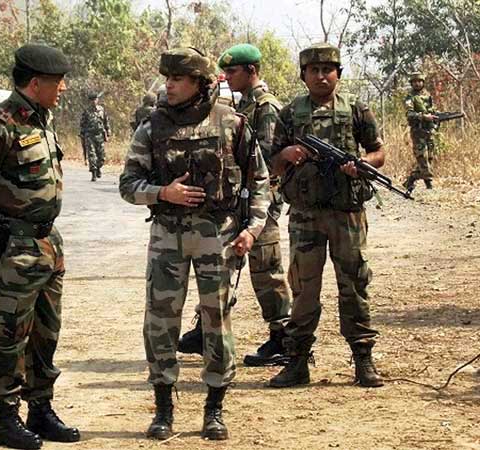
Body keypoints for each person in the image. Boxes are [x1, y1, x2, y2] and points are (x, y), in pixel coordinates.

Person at [119, 47, 270, 441]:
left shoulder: (231, 123)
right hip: (167, 234)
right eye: (167, 78)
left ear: (199, 84)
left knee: (216, 321)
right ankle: (163, 408)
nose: (168, 85)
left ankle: (214, 409)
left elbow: (259, 182)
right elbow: (128, 185)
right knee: (160, 320)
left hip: (216, 236)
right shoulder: (152, 126)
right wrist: (162, 193)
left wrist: (252, 229)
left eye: (177, 79)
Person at [0, 43, 80, 450]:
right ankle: (7, 418)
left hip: (48, 243)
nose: (63, 88)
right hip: (15, 248)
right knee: (10, 334)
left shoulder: (42, 120)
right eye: (58, 81)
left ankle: (40, 410)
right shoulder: (0, 127)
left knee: (46, 332)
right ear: (35, 83)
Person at [268, 42, 385, 389]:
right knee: (304, 289)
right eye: (314, 70)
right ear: (303, 75)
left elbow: (378, 153)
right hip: (305, 215)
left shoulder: (356, 109)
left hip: (347, 213)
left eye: (327, 70)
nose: (321, 76)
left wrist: (361, 165)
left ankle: (363, 358)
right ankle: (297, 361)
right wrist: (287, 154)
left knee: (354, 284)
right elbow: (271, 163)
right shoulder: (290, 113)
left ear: (338, 74)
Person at [178, 43, 292, 367]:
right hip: (238, 201)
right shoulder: (243, 104)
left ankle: (283, 338)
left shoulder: (266, 107)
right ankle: (206, 330)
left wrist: (257, 204)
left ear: (251, 71)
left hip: (259, 203)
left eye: (232, 71)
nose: (227, 77)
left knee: (266, 271)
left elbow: (266, 161)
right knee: (221, 266)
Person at [403, 72, 437, 192]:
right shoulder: (410, 98)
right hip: (418, 131)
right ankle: (429, 183)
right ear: (411, 83)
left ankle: (411, 179)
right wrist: (423, 117)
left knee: (429, 158)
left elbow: (433, 110)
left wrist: (434, 119)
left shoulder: (428, 96)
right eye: (414, 82)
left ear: (423, 82)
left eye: (419, 81)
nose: (417, 84)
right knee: (422, 157)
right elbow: (409, 114)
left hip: (429, 130)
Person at [80, 92, 110, 181]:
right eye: (92, 100)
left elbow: (106, 121)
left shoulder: (101, 109)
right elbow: (82, 124)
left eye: (95, 99)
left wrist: (108, 132)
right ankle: (93, 173)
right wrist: (82, 135)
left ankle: (98, 168)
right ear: (89, 101)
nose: (94, 101)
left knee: (102, 156)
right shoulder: (86, 111)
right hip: (89, 136)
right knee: (92, 155)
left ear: (97, 100)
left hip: (100, 135)